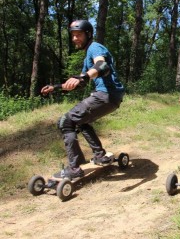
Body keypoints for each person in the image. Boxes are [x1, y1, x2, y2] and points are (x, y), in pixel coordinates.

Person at [41, 20, 125, 179]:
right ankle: (99, 155)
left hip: (105, 94)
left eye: (78, 35)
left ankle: (74, 168)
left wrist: (86, 76)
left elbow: (102, 66)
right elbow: (80, 82)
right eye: (72, 36)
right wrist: (56, 87)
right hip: (111, 96)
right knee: (81, 121)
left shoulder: (95, 48)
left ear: (88, 34)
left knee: (66, 121)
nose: (74, 39)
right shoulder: (88, 57)